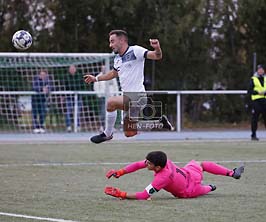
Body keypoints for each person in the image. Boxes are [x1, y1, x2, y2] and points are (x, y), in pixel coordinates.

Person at [84, 29, 173, 144]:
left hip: (138, 96)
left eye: (112, 41)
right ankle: (159, 122)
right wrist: (95, 78)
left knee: (111, 102)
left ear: (121, 40)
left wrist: (157, 48)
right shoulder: (117, 59)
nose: (110, 45)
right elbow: (113, 73)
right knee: (129, 133)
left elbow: (157, 56)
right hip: (127, 97)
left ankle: (107, 134)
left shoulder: (135, 50)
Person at [104, 151, 245, 200]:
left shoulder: (162, 178)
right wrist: (120, 172)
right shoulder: (164, 161)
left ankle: (211, 187)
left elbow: (143, 195)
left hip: (188, 190)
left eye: (148, 163)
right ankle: (232, 173)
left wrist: (121, 194)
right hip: (188, 173)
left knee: (205, 189)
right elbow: (137, 165)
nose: (145, 164)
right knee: (200, 163)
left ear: (157, 167)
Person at [93, 65, 119, 131]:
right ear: (101, 69)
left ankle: (111, 127)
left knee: (112, 112)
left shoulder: (112, 75)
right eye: (103, 68)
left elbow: (115, 86)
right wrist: (99, 95)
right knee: (102, 112)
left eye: (105, 68)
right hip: (102, 97)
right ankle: (102, 126)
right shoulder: (98, 76)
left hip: (111, 97)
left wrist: (116, 94)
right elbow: (95, 87)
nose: (104, 69)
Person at [62, 65, 86, 132]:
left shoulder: (79, 76)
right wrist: (63, 95)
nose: (72, 70)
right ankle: (68, 126)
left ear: (75, 69)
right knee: (68, 112)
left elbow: (82, 86)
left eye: (73, 68)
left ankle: (78, 126)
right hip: (69, 97)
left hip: (78, 97)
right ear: (69, 70)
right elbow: (64, 87)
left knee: (78, 112)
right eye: (70, 69)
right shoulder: (66, 77)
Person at [248, 64, 266, 141]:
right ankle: (253, 135)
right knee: (255, 118)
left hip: (264, 100)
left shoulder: (265, 78)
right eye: (259, 69)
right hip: (256, 101)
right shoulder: (253, 79)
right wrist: (257, 92)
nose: (261, 71)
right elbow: (249, 91)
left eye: (262, 69)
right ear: (257, 70)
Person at [32, 69, 52, 133]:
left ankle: (41, 126)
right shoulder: (36, 80)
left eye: (44, 75)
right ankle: (35, 127)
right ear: (39, 75)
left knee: (42, 114)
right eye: (41, 74)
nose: (42, 76)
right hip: (35, 99)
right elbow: (34, 87)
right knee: (35, 114)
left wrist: (47, 90)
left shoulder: (48, 81)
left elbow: (51, 87)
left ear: (46, 75)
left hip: (43, 99)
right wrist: (41, 89)